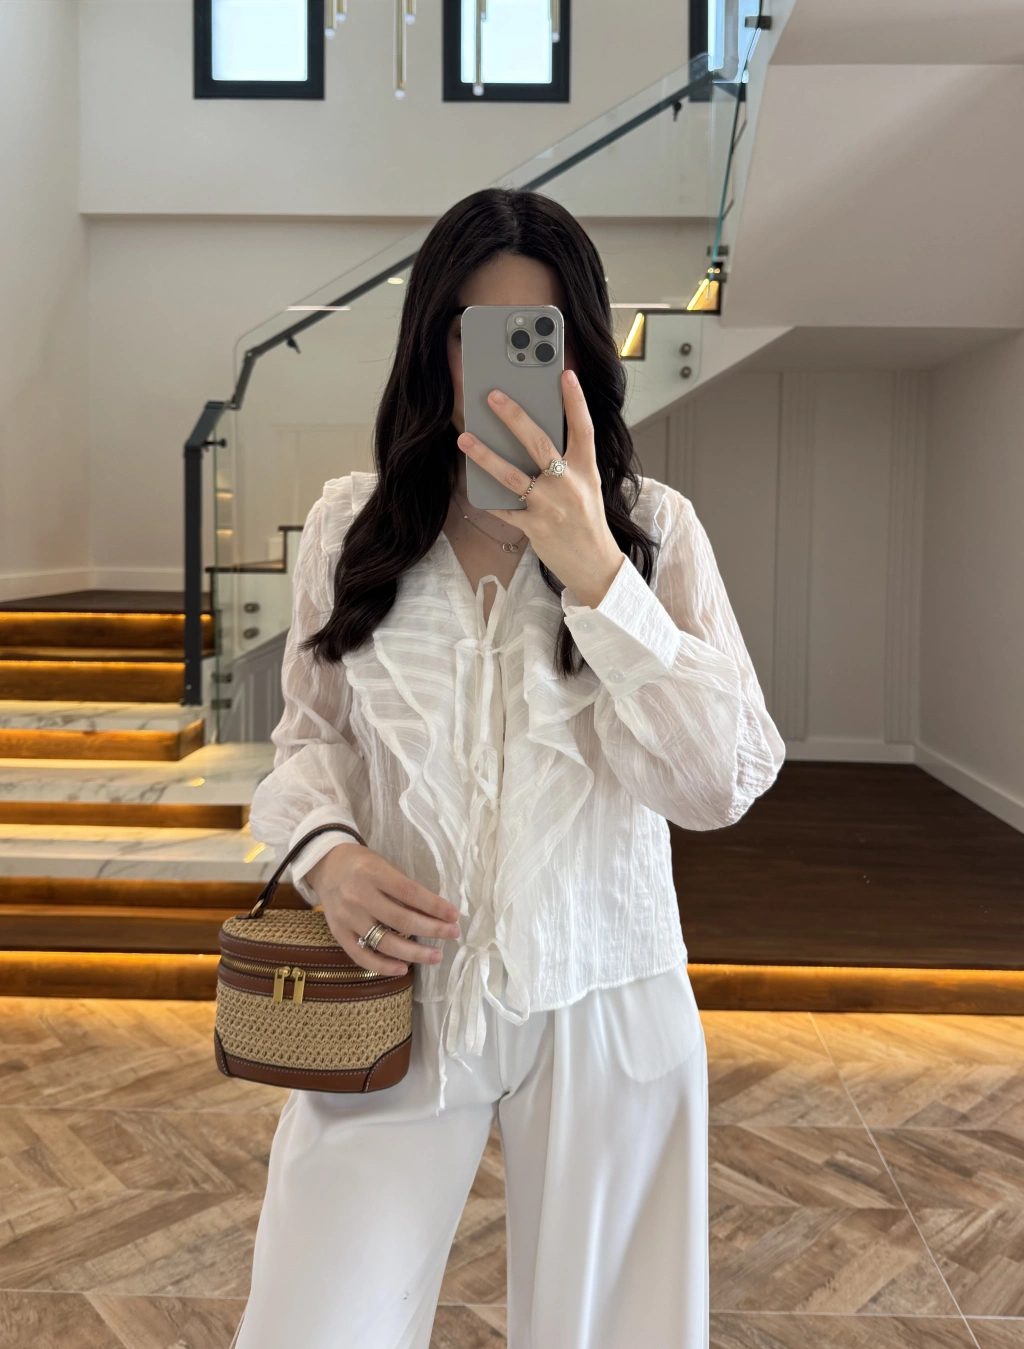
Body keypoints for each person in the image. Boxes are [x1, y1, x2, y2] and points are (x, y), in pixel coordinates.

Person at [233, 187, 785, 1349]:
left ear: (580, 353)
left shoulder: (654, 533)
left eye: (537, 336)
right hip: (391, 994)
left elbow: (723, 779)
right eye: (473, 332)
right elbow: (309, 740)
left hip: (607, 989)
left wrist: (601, 578)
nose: (500, 368)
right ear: (431, 343)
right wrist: (329, 860)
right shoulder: (350, 530)